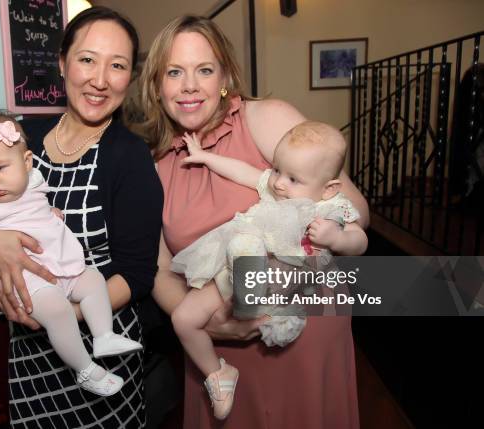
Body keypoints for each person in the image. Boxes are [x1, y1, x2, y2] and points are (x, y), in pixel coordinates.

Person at [140, 15, 368, 428]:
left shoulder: (266, 118)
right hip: (216, 352)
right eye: (174, 72)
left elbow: (354, 209)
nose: (189, 85)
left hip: (301, 331)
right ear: (158, 85)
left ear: (224, 76)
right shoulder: (156, 166)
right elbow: (158, 270)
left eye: (204, 70)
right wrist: (213, 323)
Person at [0, 7, 163, 428]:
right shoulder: (25, 138)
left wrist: (59, 317)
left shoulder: (129, 158)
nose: (100, 79)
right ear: (62, 63)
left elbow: (138, 274)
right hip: (27, 356)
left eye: (117, 66)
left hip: (98, 344)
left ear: (129, 78)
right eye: (87, 59)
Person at [0, 113, 143, 397]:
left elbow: (38, 208)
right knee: (57, 310)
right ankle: (86, 369)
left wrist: (49, 213)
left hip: (61, 264)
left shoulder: (34, 182)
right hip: (26, 283)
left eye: (0, 167)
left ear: (27, 163)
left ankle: (103, 335)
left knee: (92, 280)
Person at [168, 122, 367, 419]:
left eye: (293, 179)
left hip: (286, 279)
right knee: (183, 318)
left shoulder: (330, 207)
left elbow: (359, 240)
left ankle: (261, 307)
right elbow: (242, 171)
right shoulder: (274, 189)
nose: (279, 184)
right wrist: (205, 156)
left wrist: (337, 238)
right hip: (235, 266)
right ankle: (218, 374)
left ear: (328, 189)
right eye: (276, 170)